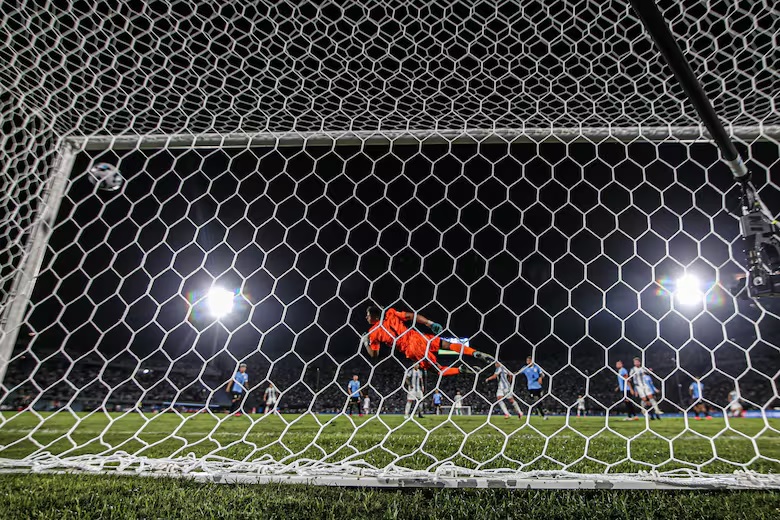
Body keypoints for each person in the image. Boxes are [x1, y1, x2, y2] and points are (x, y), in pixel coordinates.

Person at [364, 305, 493, 376]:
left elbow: (374, 354)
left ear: (375, 317)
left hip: (411, 349)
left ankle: (460, 370)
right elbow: (411, 316)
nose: (366, 318)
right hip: (417, 337)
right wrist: (429, 323)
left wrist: (365, 343)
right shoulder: (391, 313)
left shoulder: (373, 332)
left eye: (368, 315)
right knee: (447, 345)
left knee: (438, 370)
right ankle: (474, 352)